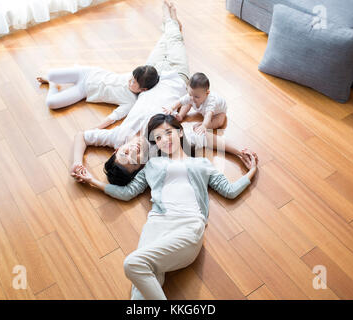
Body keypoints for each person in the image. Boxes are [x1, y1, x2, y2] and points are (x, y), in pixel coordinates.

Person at [73, 114, 258, 300]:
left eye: (168, 133)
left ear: (179, 132)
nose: (164, 140)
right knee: (139, 292)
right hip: (156, 225)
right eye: (158, 138)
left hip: (188, 226)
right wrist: (93, 181)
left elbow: (230, 190)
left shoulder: (202, 164)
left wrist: (251, 172)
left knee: (133, 264)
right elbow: (128, 192)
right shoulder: (152, 164)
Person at [70, 1, 254, 185]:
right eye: (136, 158)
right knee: (174, 39)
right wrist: (239, 152)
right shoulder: (159, 145)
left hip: (152, 76)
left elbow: (82, 136)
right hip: (177, 76)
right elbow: (204, 138)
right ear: (141, 165)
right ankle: (171, 19)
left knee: (165, 40)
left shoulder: (116, 138)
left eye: (126, 152)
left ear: (116, 151)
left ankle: (172, 23)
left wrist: (77, 163)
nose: (134, 150)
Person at [37, 57, 159, 129]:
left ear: (143, 90)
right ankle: (52, 78)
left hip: (83, 90)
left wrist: (96, 129)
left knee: (51, 103)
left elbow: (113, 117)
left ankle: (52, 84)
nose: (129, 80)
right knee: (51, 74)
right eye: (131, 77)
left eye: (133, 82)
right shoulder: (135, 76)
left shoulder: (130, 101)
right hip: (87, 73)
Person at [163, 72, 227, 135]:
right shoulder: (192, 96)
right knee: (187, 102)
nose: (192, 98)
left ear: (207, 93)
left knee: (219, 122)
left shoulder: (211, 102)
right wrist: (171, 108)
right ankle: (180, 115)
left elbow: (208, 115)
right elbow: (180, 101)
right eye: (190, 94)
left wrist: (204, 125)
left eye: (196, 97)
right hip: (203, 109)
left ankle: (204, 125)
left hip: (218, 112)